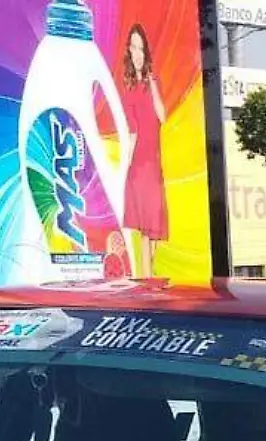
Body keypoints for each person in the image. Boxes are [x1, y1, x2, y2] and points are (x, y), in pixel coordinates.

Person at [119, 23, 168, 277]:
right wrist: (127, 164)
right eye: (133, 47)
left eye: (141, 47)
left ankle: (146, 278)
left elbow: (162, 116)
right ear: (129, 50)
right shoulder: (128, 88)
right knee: (147, 232)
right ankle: (146, 282)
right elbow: (132, 130)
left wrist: (153, 84)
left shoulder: (153, 82)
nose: (137, 53)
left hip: (154, 163)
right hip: (139, 164)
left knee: (156, 230)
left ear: (145, 51)